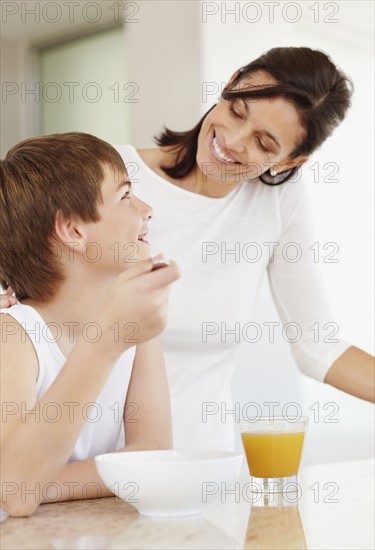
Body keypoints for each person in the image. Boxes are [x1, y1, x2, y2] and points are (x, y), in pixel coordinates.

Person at [1, 47, 374, 452]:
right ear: (230, 83)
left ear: (289, 162)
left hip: (201, 472)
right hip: (89, 473)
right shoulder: (114, 181)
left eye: (264, 144)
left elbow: (316, 343)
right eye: (237, 111)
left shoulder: (278, 201)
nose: (231, 141)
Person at [0, 132, 180, 517]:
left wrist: (42, 481)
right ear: (74, 231)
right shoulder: (12, 335)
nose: (147, 209)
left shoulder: (136, 326)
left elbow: (152, 454)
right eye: (126, 195)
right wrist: (106, 342)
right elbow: (16, 494)